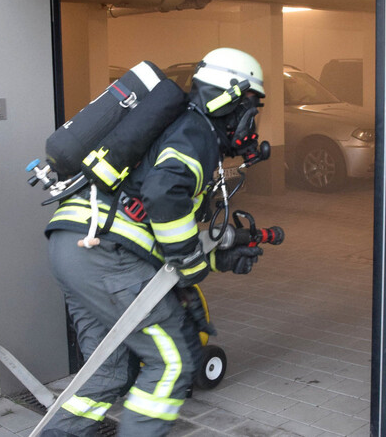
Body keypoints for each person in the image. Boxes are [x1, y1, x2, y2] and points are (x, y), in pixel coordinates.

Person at [41, 47, 267, 436]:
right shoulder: (197, 132)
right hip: (105, 254)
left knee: (108, 369)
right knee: (173, 363)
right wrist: (194, 267)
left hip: (74, 245)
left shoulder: (175, 125)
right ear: (230, 97)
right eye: (251, 107)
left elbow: (158, 229)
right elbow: (164, 198)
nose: (251, 122)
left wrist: (218, 259)